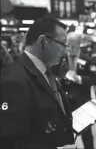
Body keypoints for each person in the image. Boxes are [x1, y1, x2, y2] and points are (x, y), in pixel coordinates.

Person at [0, 18, 76, 149]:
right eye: (62, 43)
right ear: (42, 41)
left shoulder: (46, 71)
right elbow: (9, 142)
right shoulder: (13, 80)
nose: (65, 50)